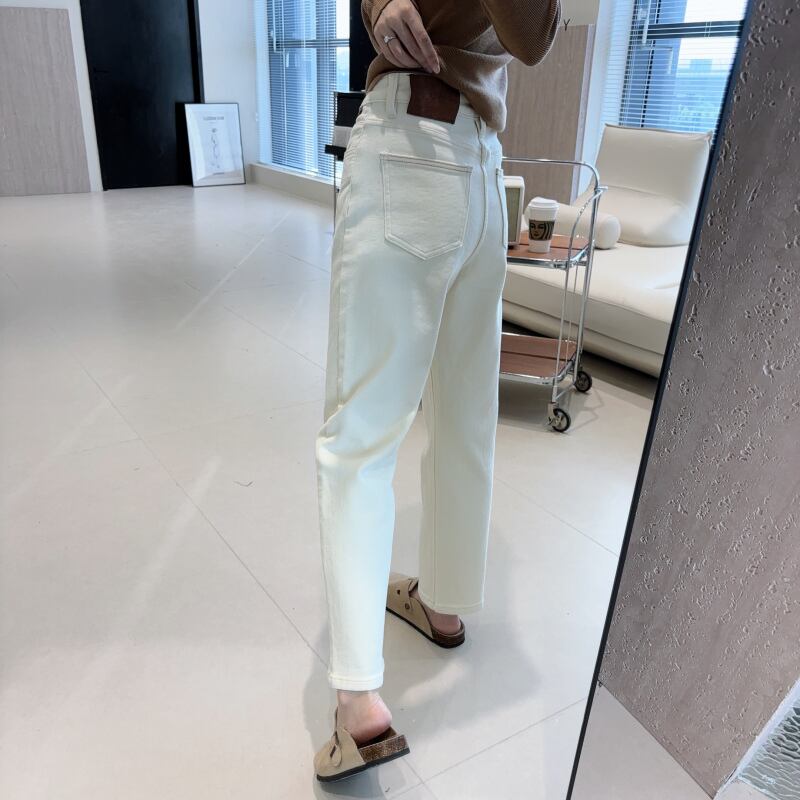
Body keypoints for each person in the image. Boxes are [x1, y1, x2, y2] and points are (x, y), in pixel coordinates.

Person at [313, 0, 561, 782]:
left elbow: (531, 37)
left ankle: (360, 704)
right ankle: (444, 604)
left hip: (411, 147)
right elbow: (532, 34)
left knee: (361, 441)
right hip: (482, 169)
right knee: (463, 419)